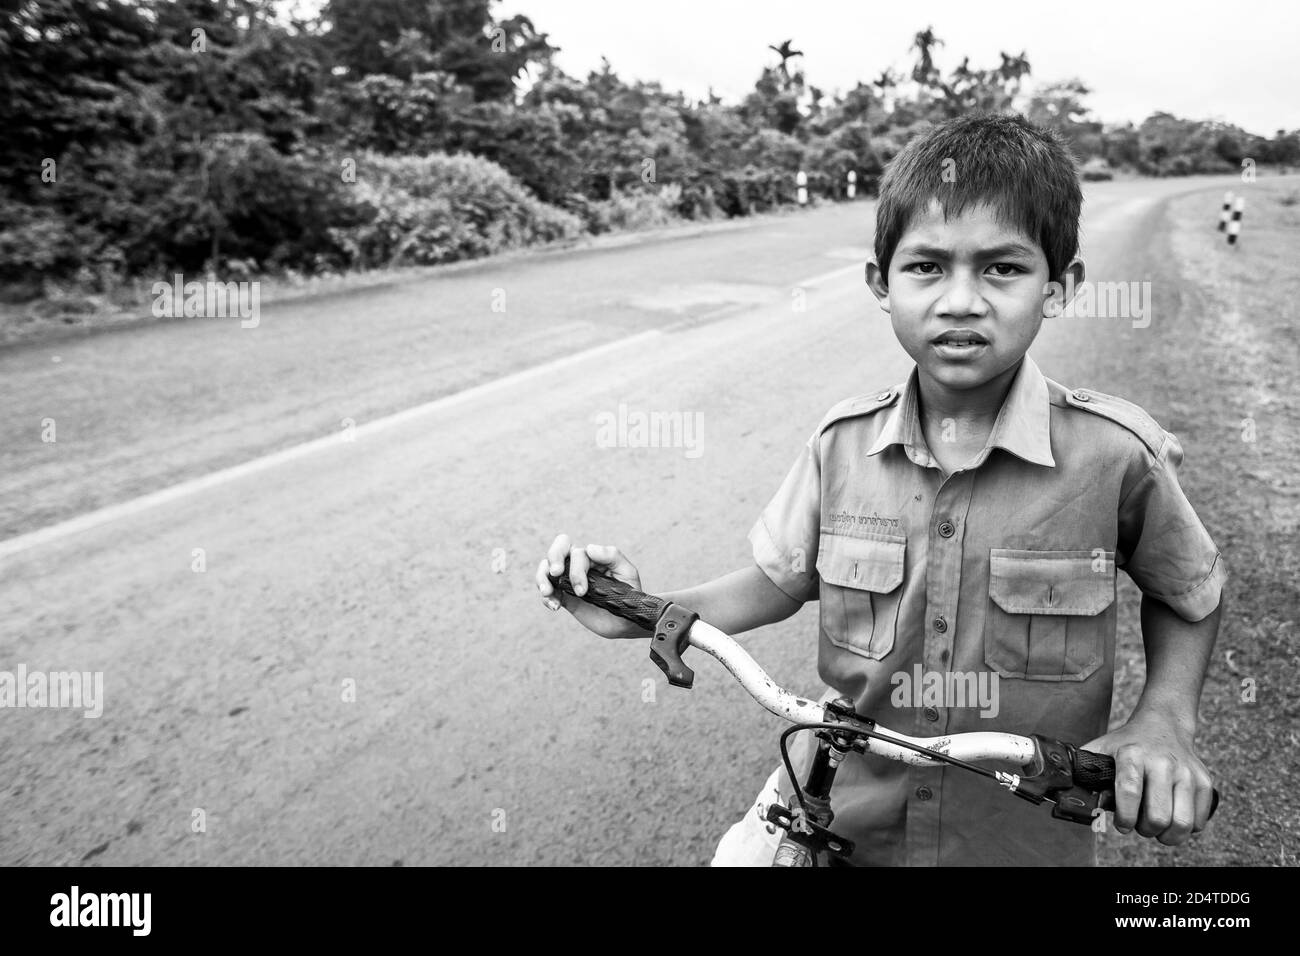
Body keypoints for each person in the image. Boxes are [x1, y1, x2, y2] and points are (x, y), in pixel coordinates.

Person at [535, 113, 1225, 866]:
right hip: (842, 825)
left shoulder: (1116, 455)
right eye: (926, 267)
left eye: (1002, 268)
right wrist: (642, 609)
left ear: (1059, 288)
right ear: (880, 284)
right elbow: (773, 582)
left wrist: (1164, 720)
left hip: (1018, 842)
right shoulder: (842, 444)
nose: (961, 300)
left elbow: (1189, 591)